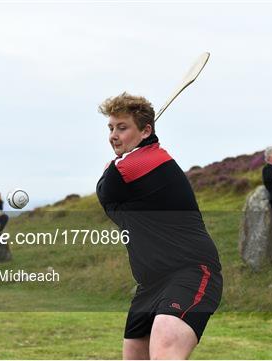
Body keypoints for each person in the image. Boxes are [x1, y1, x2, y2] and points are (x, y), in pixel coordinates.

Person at [96, 92, 223, 360]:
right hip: (149, 284)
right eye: (111, 128)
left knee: (165, 352)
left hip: (190, 272)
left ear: (145, 131)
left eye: (122, 127)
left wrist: (111, 167)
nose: (113, 136)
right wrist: (112, 167)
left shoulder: (150, 160)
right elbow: (112, 205)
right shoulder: (132, 164)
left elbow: (106, 189)